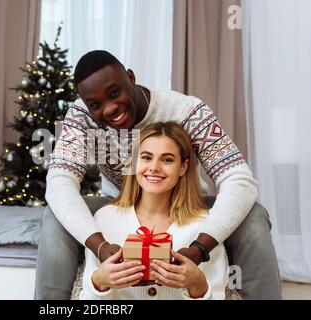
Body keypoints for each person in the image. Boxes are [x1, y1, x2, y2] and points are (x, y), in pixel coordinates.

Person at [36, 50, 281, 300]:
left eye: (114, 93)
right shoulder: (82, 116)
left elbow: (239, 180)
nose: (110, 109)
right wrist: (99, 245)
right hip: (121, 205)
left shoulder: (188, 111)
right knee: (55, 215)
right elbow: (60, 183)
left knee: (254, 215)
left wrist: (200, 248)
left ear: (130, 78)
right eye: (96, 105)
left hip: (185, 205)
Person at [79, 122, 229, 300]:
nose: (154, 167)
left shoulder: (206, 225)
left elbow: (217, 294)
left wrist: (197, 283)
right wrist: (99, 282)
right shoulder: (105, 218)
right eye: (146, 157)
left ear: (183, 167)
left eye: (167, 160)